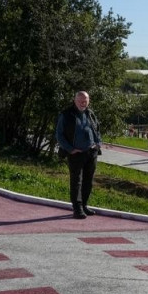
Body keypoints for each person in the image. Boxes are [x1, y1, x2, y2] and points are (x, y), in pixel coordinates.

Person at [55, 91, 102, 219]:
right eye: (80, 100)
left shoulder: (90, 113)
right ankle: (77, 208)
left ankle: (84, 205)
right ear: (74, 100)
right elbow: (59, 135)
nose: (83, 103)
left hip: (91, 152)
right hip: (76, 153)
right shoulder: (67, 114)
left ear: (88, 101)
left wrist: (98, 144)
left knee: (88, 181)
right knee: (77, 182)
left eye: (85, 101)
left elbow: (97, 130)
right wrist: (70, 149)